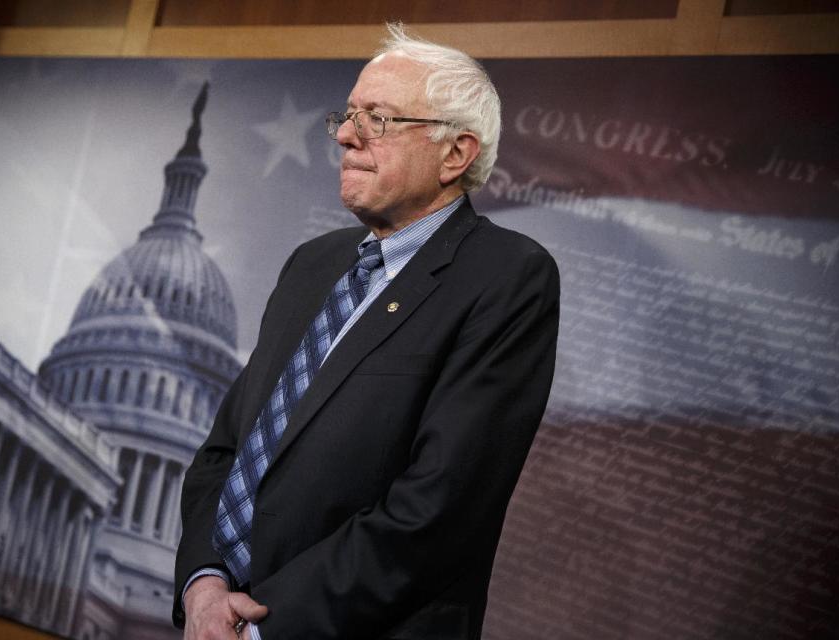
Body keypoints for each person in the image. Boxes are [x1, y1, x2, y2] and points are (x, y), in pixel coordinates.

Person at [174, 23, 559, 640]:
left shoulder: (508, 277)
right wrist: (202, 583)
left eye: (378, 119)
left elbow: (439, 508)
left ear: (455, 154)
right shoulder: (313, 262)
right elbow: (229, 446)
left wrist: (261, 628)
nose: (347, 136)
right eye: (348, 115)